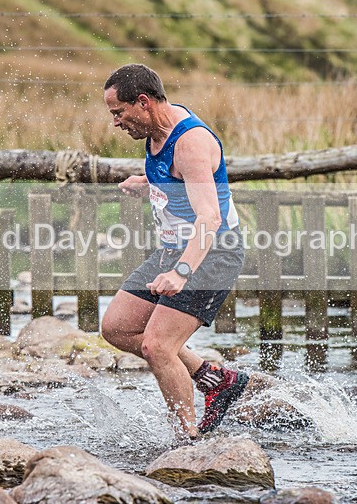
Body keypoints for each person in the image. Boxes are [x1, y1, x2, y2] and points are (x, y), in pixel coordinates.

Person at [101, 63, 248, 440]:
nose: (116, 123)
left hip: (211, 253)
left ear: (144, 102)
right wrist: (149, 182)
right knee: (116, 327)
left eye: (119, 112)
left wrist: (181, 272)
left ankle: (188, 440)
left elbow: (209, 217)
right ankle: (215, 380)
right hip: (173, 248)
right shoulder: (159, 127)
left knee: (157, 346)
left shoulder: (191, 144)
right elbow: (177, 178)